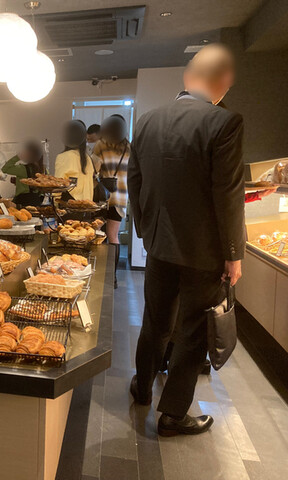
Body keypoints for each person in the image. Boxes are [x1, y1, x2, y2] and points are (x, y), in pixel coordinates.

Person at [127, 43, 244, 437]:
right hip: (204, 252)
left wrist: (146, 230)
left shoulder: (146, 121)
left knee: (155, 321)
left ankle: (142, 387)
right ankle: (173, 415)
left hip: (159, 245)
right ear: (223, 82)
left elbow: (135, 182)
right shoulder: (224, 122)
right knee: (192, 332)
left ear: (187, 78)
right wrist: (233, 254)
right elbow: (227, 193)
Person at [93, 115, 130, 287]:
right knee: (113, 236)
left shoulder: (101, 145)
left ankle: (100, 274)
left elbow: (94, 168)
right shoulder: (129, 148)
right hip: (121, 197)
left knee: (99, 235)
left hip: (102, 196)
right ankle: (112, 278)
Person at [55, 120, 96, 201]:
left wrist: (55, 201)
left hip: (69, 203)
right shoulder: (87, 158)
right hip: (87, 203)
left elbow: (58, 185)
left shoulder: (64, 157)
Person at [1, 140, 45, 206]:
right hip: (37, 200)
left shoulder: (23, 169)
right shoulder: (44, 169)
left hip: (22, 200)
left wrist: (18, 157)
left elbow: (5, 169)